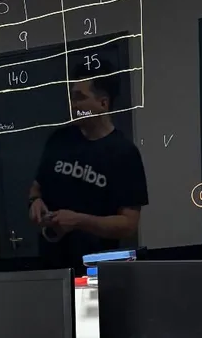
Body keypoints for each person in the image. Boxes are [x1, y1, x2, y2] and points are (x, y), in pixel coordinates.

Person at [28, 62, 149, 268]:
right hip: (52, 265)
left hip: (95, 268)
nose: (73, 105)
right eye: (72, 97)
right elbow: (37, 186)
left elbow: (128, 224)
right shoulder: (59, 139)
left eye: (80, 98)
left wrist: (78, 221)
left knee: (90, 302)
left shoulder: (124, 153)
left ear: (103, 103)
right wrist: (35, 201)